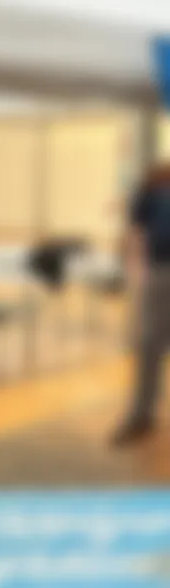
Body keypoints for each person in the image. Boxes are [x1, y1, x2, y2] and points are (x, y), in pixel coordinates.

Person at [114, 164, 170, 445]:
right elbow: (135, 232)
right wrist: (134, 273)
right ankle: (142, 415)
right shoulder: (152, 187)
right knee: (149, 344)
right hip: (159, 272)